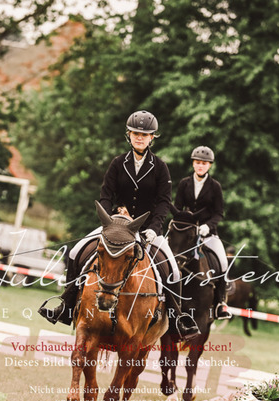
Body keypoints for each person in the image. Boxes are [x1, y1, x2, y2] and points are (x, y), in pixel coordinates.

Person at [39, 110, 199, 337]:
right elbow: (106, 194)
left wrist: (154, 228)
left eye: (144, 134)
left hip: (146, 229)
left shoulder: (160, 167)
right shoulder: (118, 163)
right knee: (75, 252)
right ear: (129, 135)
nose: (139, 137)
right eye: (135, 133)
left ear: (152, 137)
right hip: (116, 226)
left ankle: (177, 320)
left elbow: (164, 202)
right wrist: (110, 218)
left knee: (172, 269)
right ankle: (65, 305)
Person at [173, 145, 232, 319]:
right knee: (168, 256)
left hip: (208, 233)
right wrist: (179, 223)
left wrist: (208, 226)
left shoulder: (215, 186)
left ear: (209, 165)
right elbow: (177, 208)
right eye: (198, 162)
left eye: (204, 163)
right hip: (186, 233)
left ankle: (221, 302)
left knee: (223, 261)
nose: (200, 166)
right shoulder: (184, 183)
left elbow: (219, 213)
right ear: (193, 163)